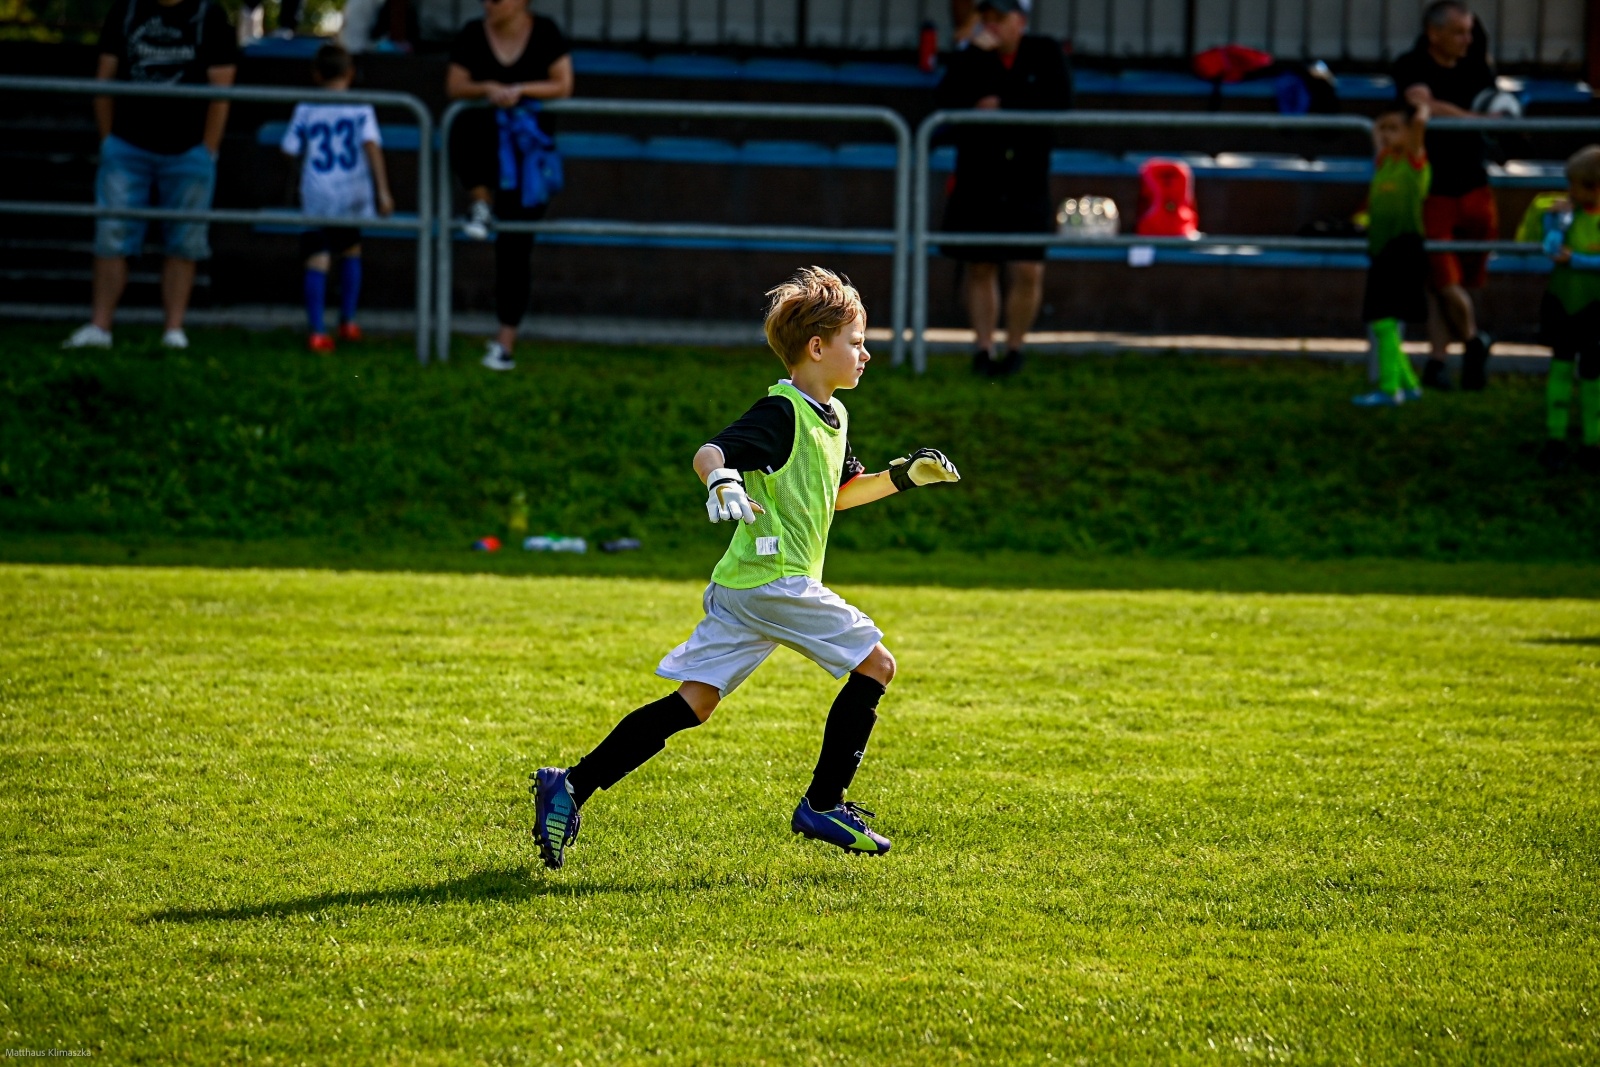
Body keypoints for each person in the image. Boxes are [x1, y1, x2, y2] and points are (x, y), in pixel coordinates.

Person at [527, 267, 962, 870]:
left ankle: (570, 785)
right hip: (774, 581)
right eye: (857, 341)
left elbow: (841, 494)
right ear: (817, 348)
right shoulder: (782, 411)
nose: (866, 353)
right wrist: (722, 480)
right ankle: (824, 804)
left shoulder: (831, 416)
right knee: (877, 665)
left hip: (744, 586)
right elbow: (710, 452)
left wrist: (903, 477)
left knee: (695, 703)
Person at [63, 0, 238, 352]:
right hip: (127, 146)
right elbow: (104, 79)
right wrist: (109, 142)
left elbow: (222, 89)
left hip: (189, 150)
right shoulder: (125, 9)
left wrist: (208, 150)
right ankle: (100, 327)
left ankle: (173, 331)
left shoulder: (210, 15)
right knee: (112, 236)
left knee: (184, 242)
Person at [935, 0, 1071, 378]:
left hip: (1028, 178)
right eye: (987, 18)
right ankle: (983, 349)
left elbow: (1060, 98)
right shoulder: (973, 57)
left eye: (1001, 17)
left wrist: (1003, 103)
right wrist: (970, 54)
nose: (992, 25)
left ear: (1020, 21)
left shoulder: (1044, 51)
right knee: (981, 265)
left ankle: (1015, 349)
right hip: (979, 176)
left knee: (1027, 269)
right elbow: (945, 102)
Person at [445, 0, 573, 371]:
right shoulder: (473, 33)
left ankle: (505, 342)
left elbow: (563, 84)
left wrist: (520, 90)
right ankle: (480, 203)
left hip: (528, 156)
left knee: (515, 247)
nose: (489, 4)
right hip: (487, 150)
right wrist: (487, 88)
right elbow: (455, 85)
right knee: (466, 130)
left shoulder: (545, 32)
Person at [1393, 0, 1498, 391]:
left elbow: (1494, 106)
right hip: (1433, 187)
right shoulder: (1412, 64)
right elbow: (1423, 105)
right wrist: (1475, 120)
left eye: (1469, 31)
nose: (1466, 40)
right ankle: (1474, 341)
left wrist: (1469, 117)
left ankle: (1438, 361)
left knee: (1456, 281)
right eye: (1457, 32)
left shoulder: (1477, 66)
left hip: (1474, 183)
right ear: (1433, 33)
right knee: (1442, 276)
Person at [280, 44, 394, 353]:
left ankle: (318, 330)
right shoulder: (360, 106)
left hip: (318, 190)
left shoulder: (307, 107)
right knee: (351, 250)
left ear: (316, 74)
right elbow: (372, 146)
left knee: (318, 257)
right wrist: (383, 191)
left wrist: (300, 165)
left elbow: (288, 148)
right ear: (351, 73)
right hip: (351, 190)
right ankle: (348, 320)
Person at [1353, 102, 1430, 407]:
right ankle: (1408, 385)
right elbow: (1377, 133)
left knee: (1383, 320)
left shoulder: (1414, 161)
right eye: (1383, 128)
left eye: (1394, 129)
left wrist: (1421, 105)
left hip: (1403, 248)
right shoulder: (1384, 160)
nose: (1385, 134)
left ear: (1410, 132)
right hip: (1381, 250)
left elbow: (1419, 125)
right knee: (1382, 321)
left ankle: (1389, 389)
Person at [1537, 147, 1600, 474]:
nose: (1569, 191)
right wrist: (1553, 222)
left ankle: (1593, 442)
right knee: (1560, 368)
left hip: (1595, 309)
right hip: (1564, 302)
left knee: (1593, 375)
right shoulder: (1569, 214)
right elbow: (1550, 247)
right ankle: (1555, 437)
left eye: (1574, 185)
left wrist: (1575, 259)